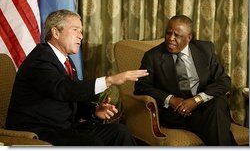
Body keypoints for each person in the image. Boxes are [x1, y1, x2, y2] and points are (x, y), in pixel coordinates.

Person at [6, 9, 149, 146]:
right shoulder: (40, 60)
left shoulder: (66, 61)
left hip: (64, 127)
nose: (81, 36)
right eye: (75, 30)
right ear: (56, 32)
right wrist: (109, 80)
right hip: (39, 130)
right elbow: (64, 89)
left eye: (81, 31)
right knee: (93, 144)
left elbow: (72, 98)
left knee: (120, 131)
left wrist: (95, 111)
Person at [134, 15, 237, 146]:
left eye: (177, 35)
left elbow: (223, 81)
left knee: (217, 105)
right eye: (168, 33)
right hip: (177, 113)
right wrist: (170, 99)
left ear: (189, 37)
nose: (171, 38)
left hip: (205, 106)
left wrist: (197, 100)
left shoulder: (205, 50)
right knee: (216, 123)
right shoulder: (153, 56)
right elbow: (141, 87)